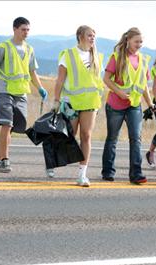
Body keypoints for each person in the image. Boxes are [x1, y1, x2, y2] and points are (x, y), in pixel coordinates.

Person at [0, 17, 48, 173]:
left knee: (11, 128)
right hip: (4, 91)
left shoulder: (30, 49)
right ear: (15, 29)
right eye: (23, 29)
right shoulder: (4, 47)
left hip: (21, 93)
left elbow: (32, 72)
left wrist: (40, 88)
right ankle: (5, 160)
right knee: (7, 124)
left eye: (28, 30)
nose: (26, 33)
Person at [49, 25, 104, 186]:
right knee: (68, 136)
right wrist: (56, 100)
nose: (92, 38)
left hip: (90, 102)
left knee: (86, 136)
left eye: (94, 35)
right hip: (71, 102)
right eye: (89, 35)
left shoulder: (98, 57)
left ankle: (82, 174)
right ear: (80, 36)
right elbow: (59, 80)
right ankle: (52, 160)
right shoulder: (68, 55)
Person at [101, 27, 156, 184]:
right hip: (115, 105)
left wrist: (150, 102)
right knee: (112, 139)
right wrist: (118, 92)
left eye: (141, 42)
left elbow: (144, 84)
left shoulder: (144, 59)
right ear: (128, 40)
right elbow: (106, 79)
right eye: (136, 41)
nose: (139, 44)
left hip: (134, 106)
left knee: (136, 139)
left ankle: (136, 174)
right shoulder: (117, 56)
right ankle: (108, 172)